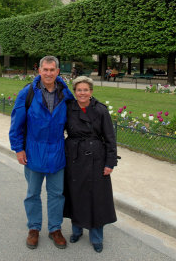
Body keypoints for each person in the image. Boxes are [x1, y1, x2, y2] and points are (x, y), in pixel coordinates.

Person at [9, 55, 74, 250]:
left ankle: (55, 229)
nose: (48, 73)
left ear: (57, 71)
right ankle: (34, 228)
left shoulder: (66, 93)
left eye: (52, 70)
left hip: (57, 151)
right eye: (45, 70)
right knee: (32, 194)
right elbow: (16, 124)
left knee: (56, 194)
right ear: (39, 70)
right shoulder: (27, 93)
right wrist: (18, 148)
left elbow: (77, 116)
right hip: (33, 151)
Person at [64, 76, 118, 253]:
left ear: (91, 91)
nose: (82, 93)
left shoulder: (101, 110)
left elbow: (110, 138)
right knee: (75, 194)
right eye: (79, 90)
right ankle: (77, 230)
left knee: (97, 198)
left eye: (85, 90)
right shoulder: (68, 108)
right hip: (74, 157)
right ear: (75, 91)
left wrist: (110, 162)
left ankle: (96, 237)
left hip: (96, 158)